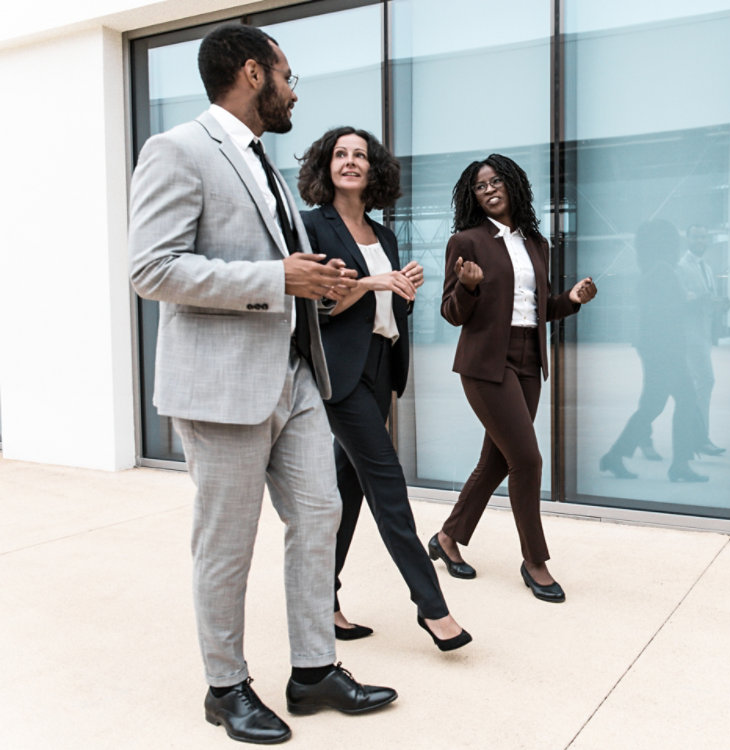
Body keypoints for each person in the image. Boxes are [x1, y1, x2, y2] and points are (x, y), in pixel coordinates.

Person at [128, 24, 396, 745]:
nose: (294, 89)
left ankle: (313, 671)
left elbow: (275, 267)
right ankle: (226, 687)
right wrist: (275, 278)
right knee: (228, 543)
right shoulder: (179, 150)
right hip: (222, 389)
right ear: (253, 73)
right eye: (287, 75)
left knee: (319, 519)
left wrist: (316, 276)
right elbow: (151, 270)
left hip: (296, 377)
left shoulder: (264, 166)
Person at [297, 127, 471, 651]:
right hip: (341, 374)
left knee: (348, 492)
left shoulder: (383, 234)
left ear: (374, 170)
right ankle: (433, 608)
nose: (351, 161)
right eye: (341, 154)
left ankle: (322, 601)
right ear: (326, 164)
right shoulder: (312, 228)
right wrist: (373, 283)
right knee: (388, 485)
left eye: (361, 155)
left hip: (380, 365)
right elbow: (318, 305)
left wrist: (405, 288)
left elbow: (387, 309)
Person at [429, 154, 597, 603]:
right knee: (527, 460)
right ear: (473, 196)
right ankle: (535, 561)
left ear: (514, 185)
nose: (489, 189)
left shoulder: (536, 244)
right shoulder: (466, 241)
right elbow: (450, 313)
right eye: (480, 185)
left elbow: (541, 309)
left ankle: (447, 538)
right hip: (487, 364)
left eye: (497, 180)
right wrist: (467, 286)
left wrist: (572, 300)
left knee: (498, 460)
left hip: (529, 361)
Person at [599, 221, 709, 482]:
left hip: (658, 348)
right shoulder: (663, 272)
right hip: (666, 349)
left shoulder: (652, 270)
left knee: (661, 403)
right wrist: (695, 302)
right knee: (670, 402)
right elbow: (667, 312)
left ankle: (621, 457)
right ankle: (678, 465)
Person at [676, 224, 730, 455]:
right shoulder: (680, 267)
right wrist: (703, 300)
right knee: (705, 382)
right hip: (690, 335)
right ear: (687, 239)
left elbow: (704, 300)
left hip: (704, 333)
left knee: (696, 386)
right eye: (697, 237)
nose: (701, 241)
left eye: (705, 237)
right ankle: (699, 438)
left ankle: (693, 437)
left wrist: (719, 304)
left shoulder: (707, 267)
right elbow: (680, 300)